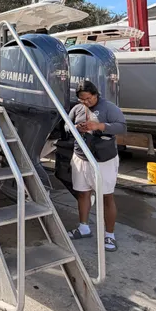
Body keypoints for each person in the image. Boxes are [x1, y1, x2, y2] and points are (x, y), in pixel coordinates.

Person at [65, 80, 126, 251]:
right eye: (82, 100)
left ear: (96, 94)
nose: (86, 102)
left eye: (89, 99)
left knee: (107, 197)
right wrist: (76, 127)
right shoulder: (77, 109)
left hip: (103, 160)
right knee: (83, 194)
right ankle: (83, 227)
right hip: (81, 157)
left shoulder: (109, 108)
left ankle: (110, 235)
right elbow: (66, 125)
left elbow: (121, 127)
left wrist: (99, 126)